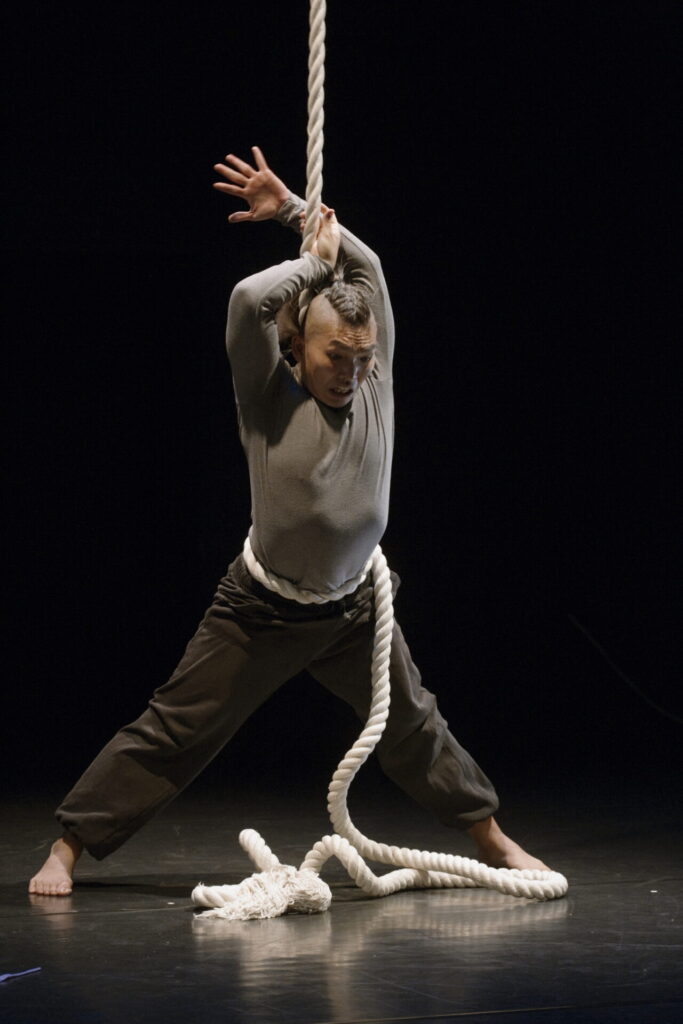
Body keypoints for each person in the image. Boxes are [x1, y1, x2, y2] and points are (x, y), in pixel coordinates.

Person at [30, 147, 550, 896]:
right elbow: (248, 298)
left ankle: (490, 837)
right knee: (177, 727)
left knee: (414, 724)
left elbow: (368, 267)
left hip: (353, 608)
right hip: (262, 610)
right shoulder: (267, 393)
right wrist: (310, 263)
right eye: (337, 356)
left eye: (363, 358)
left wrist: (298, 213)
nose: (353, 373)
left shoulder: (374, 378)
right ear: (296, 345)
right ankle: (69, 845)